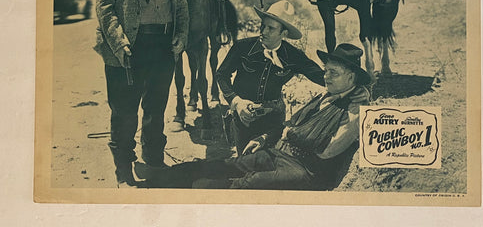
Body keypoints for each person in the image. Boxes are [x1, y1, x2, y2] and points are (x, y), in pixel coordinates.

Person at [135, 43, 371, 190]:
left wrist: (291, 133)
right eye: (326, 70)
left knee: (245, 184)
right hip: (281, 153)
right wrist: (266, 138)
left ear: (352, 78)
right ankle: (160, 177)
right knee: (227, 165)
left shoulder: (354, 110)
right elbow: (290, 125)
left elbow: (326, 150)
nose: (326, 77)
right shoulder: (325, 97)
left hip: (305, 172)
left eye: (333, 73)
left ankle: (180, 190)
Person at [94, 0, 188, 187]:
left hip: (161, 47)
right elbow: (105, 7)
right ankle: (123, 169)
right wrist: (120, 45)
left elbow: (181, 8)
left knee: (156, 107)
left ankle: (154, 160)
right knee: (123, 111)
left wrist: (180, 37)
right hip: (126, 48)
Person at [216, 0, 325, 155]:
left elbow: (322, 77)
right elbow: (221, 75)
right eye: (263, 26)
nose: (263, 31)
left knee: (268, 162)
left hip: (273, 120)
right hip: (243, 118)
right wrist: (236, 102)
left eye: (271, 28)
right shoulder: (242, 47)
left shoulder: (293, 56)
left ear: (284, 34)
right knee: (244, 162)